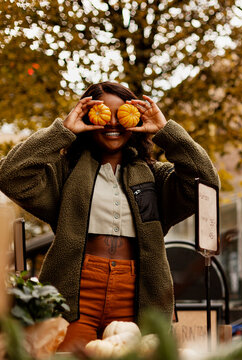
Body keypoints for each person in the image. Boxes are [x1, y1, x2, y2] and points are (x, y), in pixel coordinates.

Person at [0, 81, 220, 351]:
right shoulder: (64, 172)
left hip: (136, 293)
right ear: (89, 117)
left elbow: (206, 183)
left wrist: (166, 132)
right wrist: (63, 131)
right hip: (76, 292)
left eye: (122, 115)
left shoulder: (155, 175)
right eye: (104, 114)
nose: (113, 123)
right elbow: (10, 175)